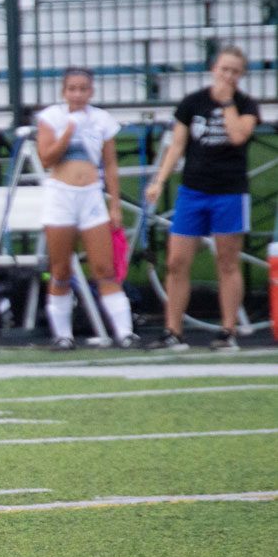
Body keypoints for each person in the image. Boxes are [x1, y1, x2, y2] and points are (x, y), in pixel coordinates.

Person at [144, 46, 260, 351]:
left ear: (241, 75)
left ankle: (227, 331)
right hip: (193, 190)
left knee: (227, 262)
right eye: (225, 69)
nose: (229, 76)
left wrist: (227, 104)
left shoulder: (247, 105)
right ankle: (173, 331)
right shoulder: (192, 103)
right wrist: (160, 180)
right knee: (177, 261)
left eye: (235, 72)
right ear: (214, 69)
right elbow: (177, 145)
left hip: (229, 191)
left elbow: (237, 136)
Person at [35, 67, 138, 350]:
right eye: (72, 89)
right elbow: (46, 158)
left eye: (83, 89)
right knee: (60, 269)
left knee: (105, 268)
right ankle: (63, 335)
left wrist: (114, 204)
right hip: (61, 196)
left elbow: (111, 165)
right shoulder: (51, 118)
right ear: (64, 91)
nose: (78, 94)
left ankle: (125, 332)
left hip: (91, 195)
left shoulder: (101, 119)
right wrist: (68, 131)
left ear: (91, 91)